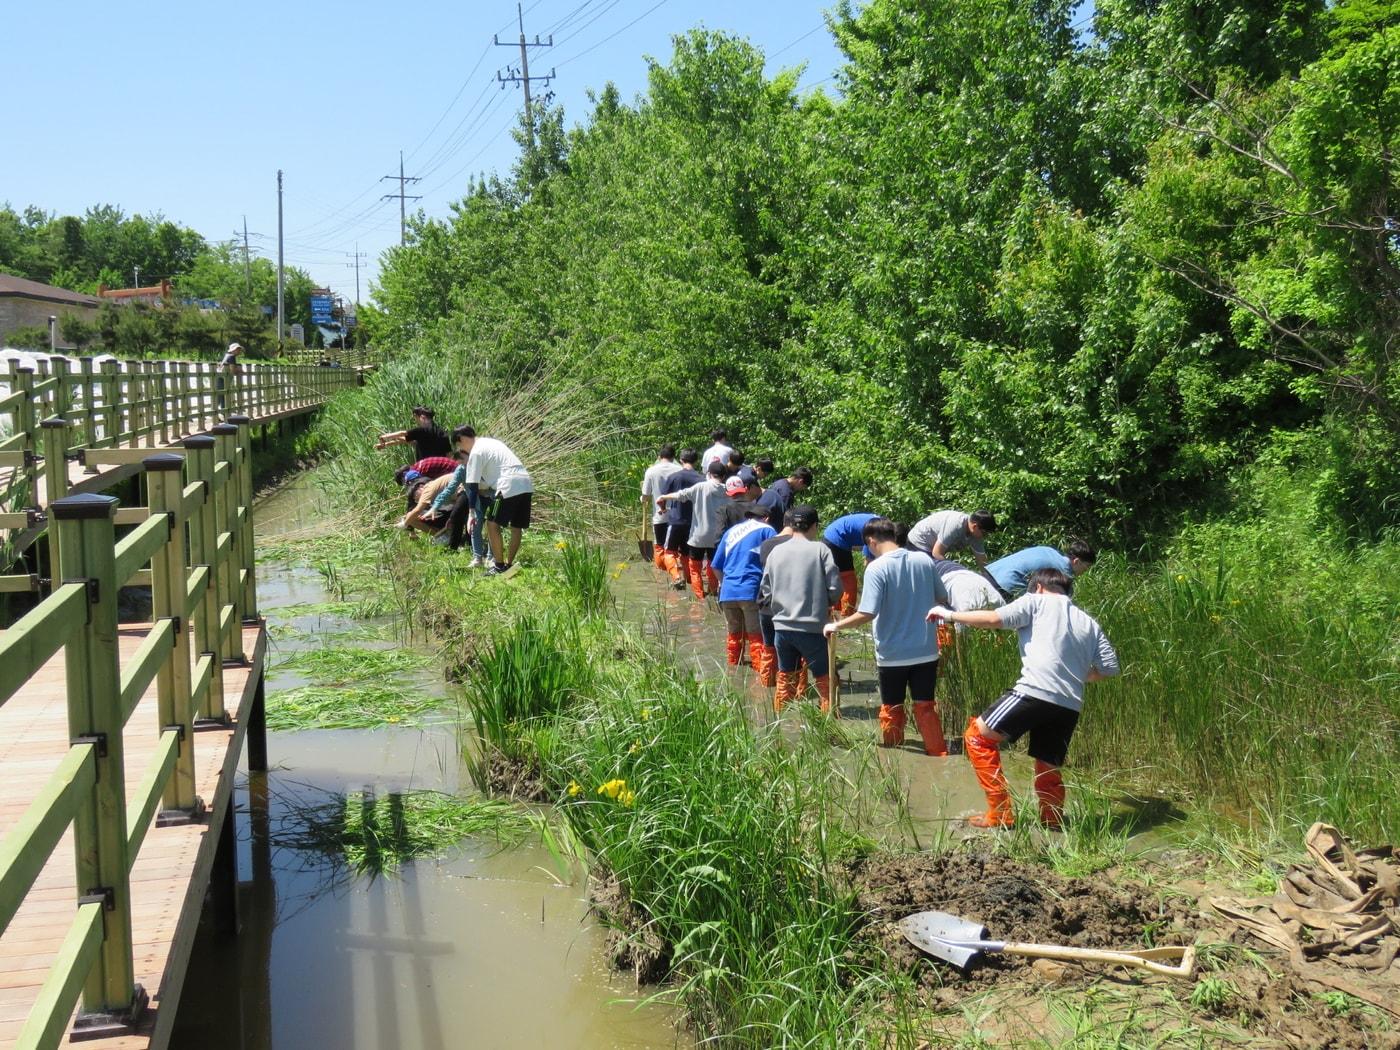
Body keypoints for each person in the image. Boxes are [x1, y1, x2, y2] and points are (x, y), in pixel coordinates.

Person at [928, 567, 1119, 829]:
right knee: (1048, 763)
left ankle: (1000, 813)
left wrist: (949, 614)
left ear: (1038, 587)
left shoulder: (1036, 600)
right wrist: (1074, 674)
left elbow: (995, 619)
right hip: (1070, 704)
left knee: (976, 737)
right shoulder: (1089, 622)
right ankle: (1051, 820)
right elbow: (1109, 668)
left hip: (1033, 691)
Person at [826, 517, 950, 755]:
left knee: (892, 707)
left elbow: (866, 613)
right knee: (926, 706)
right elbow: (941, 597)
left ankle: (894, 755)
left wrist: (837, 626)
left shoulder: (876, 567)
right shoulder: (924, 560)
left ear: (871, 541)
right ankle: (938, 754)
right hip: (926, 650)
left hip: (892, 654)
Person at [759, 505, 842, 715]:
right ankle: (829, 726)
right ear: (814, 526)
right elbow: (835, 589)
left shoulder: (775, 551)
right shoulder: (821, 550)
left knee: (785, 678)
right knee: (825, 680)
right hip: (812, 628)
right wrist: (826, 603)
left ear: (791, 525)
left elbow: (765, 590)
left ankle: (779, 727)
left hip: (782, 628)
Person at [453, 425, 534, 576]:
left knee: (491, 524)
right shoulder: (492, 442)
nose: (461, 448)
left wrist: (471, 513)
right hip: (525, 483)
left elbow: (472, 486)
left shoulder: (476, 451)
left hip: (508, 486)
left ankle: (498, 566)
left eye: (459, 444)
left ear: (463, 438)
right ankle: (508, 565)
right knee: (516, 527)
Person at [709, 503, 777, 673]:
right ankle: (760, 674)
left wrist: (726, 584)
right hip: (750, 589)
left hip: (728, 592)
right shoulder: (767, 530)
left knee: (734, 634)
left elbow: (715, 566)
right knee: (756, 635)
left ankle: (734, 670)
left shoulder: (730, 532)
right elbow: (777, 561)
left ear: (748, 516)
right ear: (766, 518)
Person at [655, 460, 729, 599]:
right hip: (718, 537)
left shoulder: (700, 487)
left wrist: (664, 496)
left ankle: (700, 598)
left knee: (695, 568)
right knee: (713, 566)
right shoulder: (727, 491)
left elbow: (680, 495)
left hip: (698, 536)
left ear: (708, 474)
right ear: (723, 476)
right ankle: (713, 594)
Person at [425, 450, 490, 565]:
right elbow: (449, 489)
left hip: (491, 495)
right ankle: (477, 558)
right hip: (474, 498)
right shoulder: (461, 470)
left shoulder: (483, 463)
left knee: (493, 525)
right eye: (461, 463)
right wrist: (435, 507)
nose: (465, 465)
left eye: (465, 461)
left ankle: (491, 557)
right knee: (474, 524)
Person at [984, 540, 1097, 599]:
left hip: (990, 572)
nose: (1085, 571)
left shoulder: (1049, 550)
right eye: (1086, 567)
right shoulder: (1064, 574)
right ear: (1076, 561)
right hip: (1003, 586)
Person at [657, 449, 703, 590]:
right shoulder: (701, 479)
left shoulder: (674, 477)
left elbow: (662, 497)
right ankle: (689, 579)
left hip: (676, 520)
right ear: (696, 461)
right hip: (693, 523)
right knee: (686, 553)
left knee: (669, 551)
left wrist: (663, 509)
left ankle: (677, 577)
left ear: (681, 460)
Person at [822, 511, 879, 615]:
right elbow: (868, 563)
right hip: (836, 539)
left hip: (835, 535)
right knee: (848, 579)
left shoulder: (881, 526)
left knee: (838, 578)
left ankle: (836, 612)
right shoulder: (876, 532)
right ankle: (846, 615)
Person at [640, 445, 682, 572]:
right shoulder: (679, 469)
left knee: (659, 545)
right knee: (676, 548)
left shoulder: (651, 471)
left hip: (659, 515)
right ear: (674, 456)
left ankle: (661, 573)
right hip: (677, 515)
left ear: (659, 456)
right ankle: (677, 572)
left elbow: (646, 495)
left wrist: (642, 499)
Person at [907, 509, 998, 566]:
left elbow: (982, 561)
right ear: (975, 526)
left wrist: (988, 578)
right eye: (985, 534)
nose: (984, 537)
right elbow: (937, 553)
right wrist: (955, 569)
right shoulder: (956, 525)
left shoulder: (976, 535)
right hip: (919, 542)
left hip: (933, 547)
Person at [376, 407, 452, 459]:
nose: (417, 422)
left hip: (426, 468)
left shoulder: (421, 431)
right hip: (442, 468)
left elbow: (402, 433)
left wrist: (384, 437)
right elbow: (449, 454)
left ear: (422, 417)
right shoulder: (442, 433)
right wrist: (386, 444)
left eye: (416, 418)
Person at [756, 466, 814, 531]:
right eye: (803, 487)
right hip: (773, 528)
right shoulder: (786, 493)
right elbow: (785, 517)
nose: (801, 490)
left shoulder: (779, 482)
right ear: (800, 481)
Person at [217, 342, 241, 412]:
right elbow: (232, 370)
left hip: (220, 377)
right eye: (238, 349)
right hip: (223, 378)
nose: (239, 351)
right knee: (221, 396)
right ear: (233, 350)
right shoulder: (232, 357)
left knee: (221, 396)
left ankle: (222, 413)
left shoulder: (227, 355)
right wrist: (240, 370)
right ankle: (218, 414)